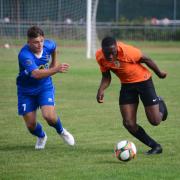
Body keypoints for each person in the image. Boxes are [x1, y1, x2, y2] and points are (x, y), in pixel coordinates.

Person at [95, 36, 168, 155]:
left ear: (117, 48)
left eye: (112, 53)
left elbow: (147, 59)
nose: (110, 56)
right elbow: (106, 76)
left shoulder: (128, 51)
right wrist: (101, 89)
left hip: (144, 81)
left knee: (155, 121)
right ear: (102, 50)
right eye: (106, 53)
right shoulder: (100, 57)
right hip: (127, 86)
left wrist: (159, 73)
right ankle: (155, 146)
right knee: (128, 123)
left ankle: (160, 103)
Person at [16, 26, 75, 149]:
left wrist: (54, 62)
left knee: (49, 116)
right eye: (36, 42)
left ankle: (62, 131)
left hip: (44, 87)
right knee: (31, 125)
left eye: (41, 41)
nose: (39, 44)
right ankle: (42, 136)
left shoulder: (48, 45)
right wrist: (55, 69)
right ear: (29, 42)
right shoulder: (24, 55)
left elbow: (54, 47)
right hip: (26, 91)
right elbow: (36, 74)